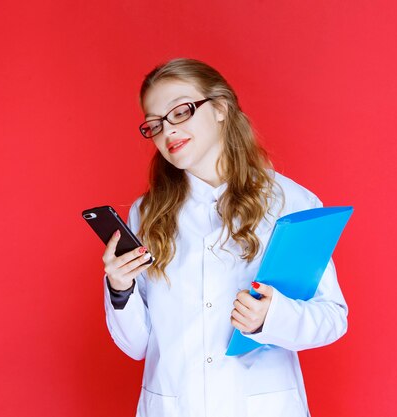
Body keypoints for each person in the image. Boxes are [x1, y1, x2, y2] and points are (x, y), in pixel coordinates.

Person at [101, 58, 348, 417]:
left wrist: (272, 317)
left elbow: (332, 318)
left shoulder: (289, 202)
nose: (167, 131)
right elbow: (137, 345)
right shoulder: (145, 214)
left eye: (180, 112)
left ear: (220, 108)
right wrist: (119, 288)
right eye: (154, 124)